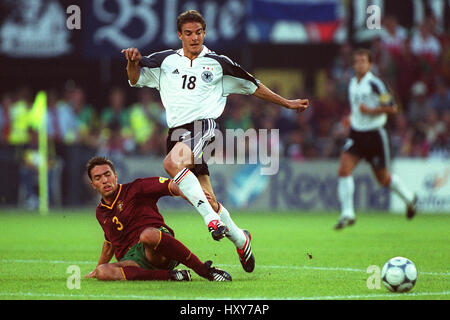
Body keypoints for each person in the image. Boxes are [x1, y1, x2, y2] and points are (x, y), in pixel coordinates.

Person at [121, 10, 309, 273]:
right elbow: (135, 78)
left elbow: (253, 85)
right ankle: (241, 239)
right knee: (206, 197)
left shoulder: (217, 63)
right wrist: (132, 61)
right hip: (176, 135)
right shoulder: (164, 61)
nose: (194, 38)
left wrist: (287, 103)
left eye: (198, 32)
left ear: (204, 33)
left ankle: (211, 221)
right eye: (188, 33)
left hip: (204, 128)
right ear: (180, 35)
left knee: (171, 164)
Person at [84, 156, 232, 282]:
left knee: (147, 235)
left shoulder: (136, 188)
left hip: (158, 248)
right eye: (98, 178)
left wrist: (188, 192)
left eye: (107, 174)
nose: (104, 180)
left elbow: (171, 185)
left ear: (115, 176)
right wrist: (96, 269)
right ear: (93, 185)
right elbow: (109, 244)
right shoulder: (101, 212)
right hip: (133, 260)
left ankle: (204, 270)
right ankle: (172, 276)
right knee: (103, 272)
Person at [335, 48, 418, 230]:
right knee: (343, 169)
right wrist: (351, 118)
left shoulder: (376, 84)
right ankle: (348, 213)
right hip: (357, 134)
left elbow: (392, 107)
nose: (359, 64)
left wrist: (371, 111)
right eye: (356, 61)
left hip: (374, 135)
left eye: (363, 61)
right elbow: (357, 107)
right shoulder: (352, 83)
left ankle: (410, 198)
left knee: (382, 178)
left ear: (370, 64)